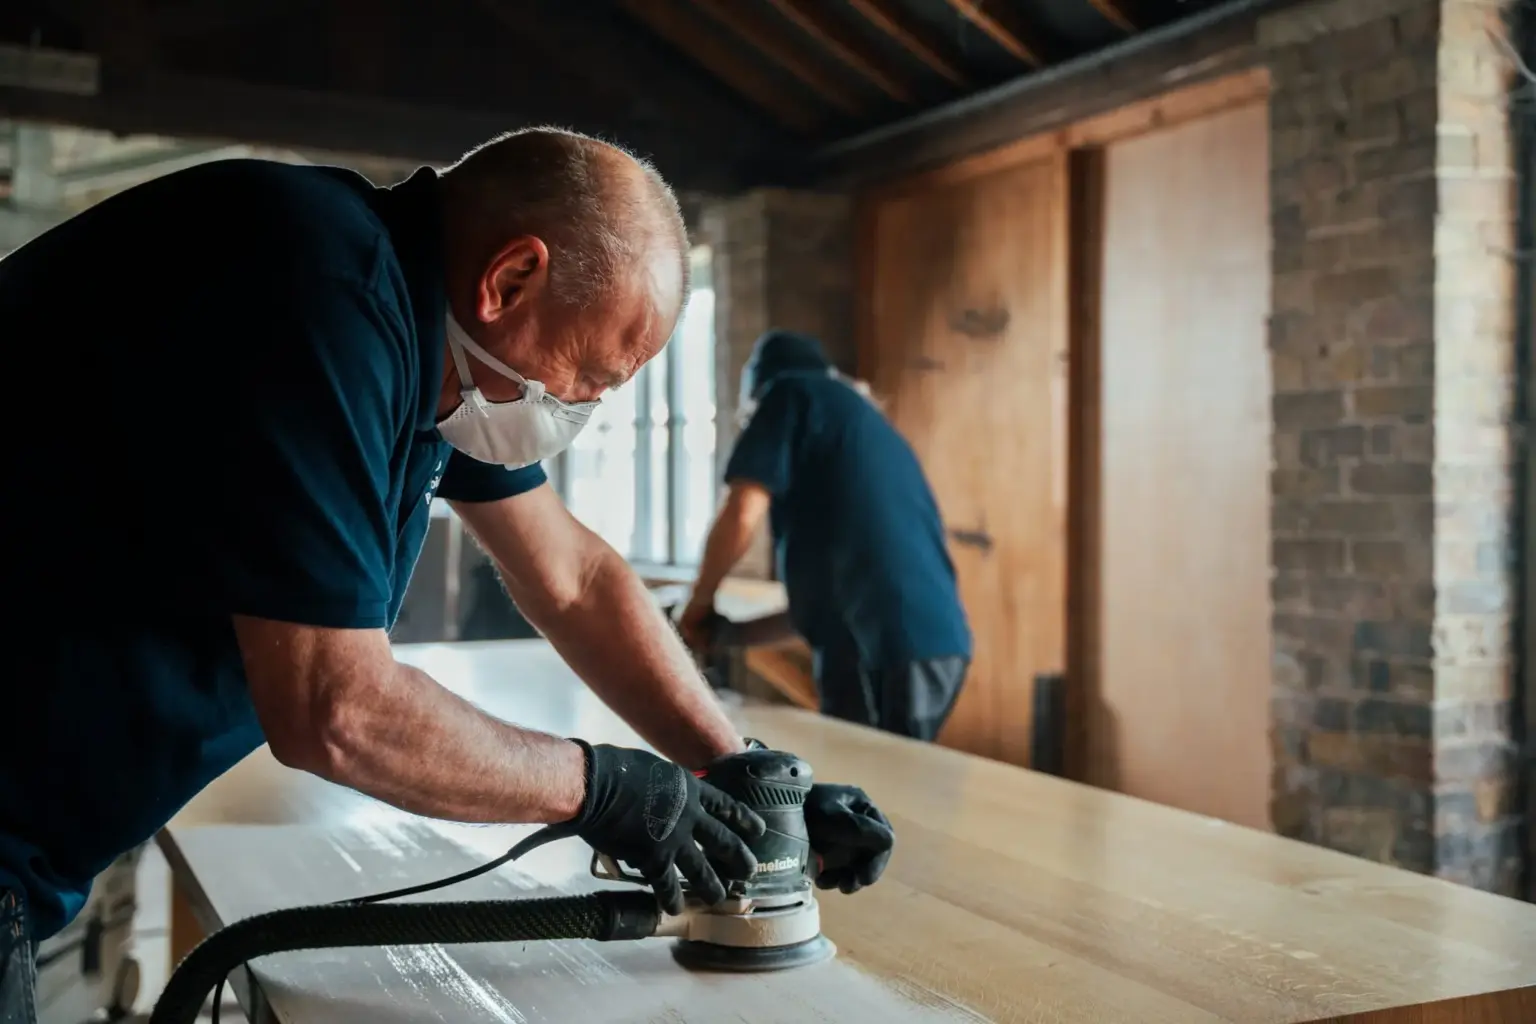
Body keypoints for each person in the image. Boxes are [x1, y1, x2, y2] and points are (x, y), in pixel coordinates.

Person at [0, 130, 892, 1022]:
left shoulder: (441, 355)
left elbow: (574, 578)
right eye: (588, 375)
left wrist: (739, 775)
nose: (582, 407)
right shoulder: (318, 288)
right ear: (510, 280)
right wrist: (602, 790)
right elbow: (335, 710)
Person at [681, 330, 972, 742]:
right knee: (868, 768)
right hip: (930, 643)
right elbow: (823, 610)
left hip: (892, 644)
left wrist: (697, 605)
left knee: (868, 771)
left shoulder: (788, 394)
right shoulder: (853, 423)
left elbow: (742, 512)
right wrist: (727, 635)